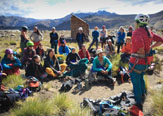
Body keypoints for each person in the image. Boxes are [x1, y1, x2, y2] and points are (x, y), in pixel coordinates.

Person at [129, 14, 163, 110]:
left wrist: (146, 50)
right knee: (141, 78)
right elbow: (161, 40)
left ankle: (139, 103)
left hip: (137, 62)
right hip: (146, 62)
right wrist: (151, 47)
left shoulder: (136, 33)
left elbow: (141, 50)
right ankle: (143, 94)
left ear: (138, 23)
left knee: (136, 82)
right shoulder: (149, 32)